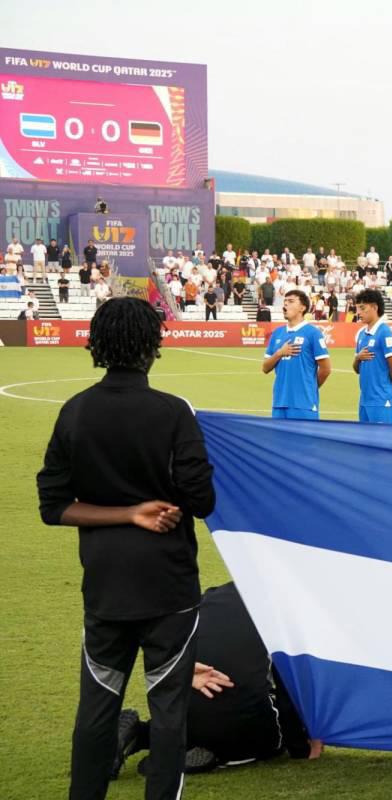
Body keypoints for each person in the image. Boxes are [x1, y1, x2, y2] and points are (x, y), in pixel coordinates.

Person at [36, 297, 216, 800]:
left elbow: (53, 505)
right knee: (168, 712)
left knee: (97, 709)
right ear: (152, 346)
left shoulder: (75, 411)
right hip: (169, 588)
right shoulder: (174, 412)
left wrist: (120, 512)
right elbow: (202, 500)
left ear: (98, 344)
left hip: (106, 586)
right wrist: (146, 509)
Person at [111, 582, 319, 778]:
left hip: (183, 705)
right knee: (270, 712)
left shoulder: (213, 596)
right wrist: (302, 747)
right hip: (242, 723)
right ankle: (220, 753)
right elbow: (289, 688)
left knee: (201, 704)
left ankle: (142, 734)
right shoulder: (287, 613)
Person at [262, 290, 331, 420]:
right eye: (285, 302)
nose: (285, 305)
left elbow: (326, 369)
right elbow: (265, 368)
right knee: (279, 441)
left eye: (291, 301)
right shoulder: (277, 333)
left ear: (302, 307)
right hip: (279, 403)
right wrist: (279, 353)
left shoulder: (312, 333)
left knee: (305, 441)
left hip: (303, 405)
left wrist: (310, 389)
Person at [352, 289, 392, 424]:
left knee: (383, 441)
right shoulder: (362, 334)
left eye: (362, 308)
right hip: (365, 400)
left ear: (374, 307)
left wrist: (391, 389)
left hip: (381, 400)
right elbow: (357, 369)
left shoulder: (384, 332)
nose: (358, 313)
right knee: (365, 442)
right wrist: (357, 358)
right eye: (357, 309)